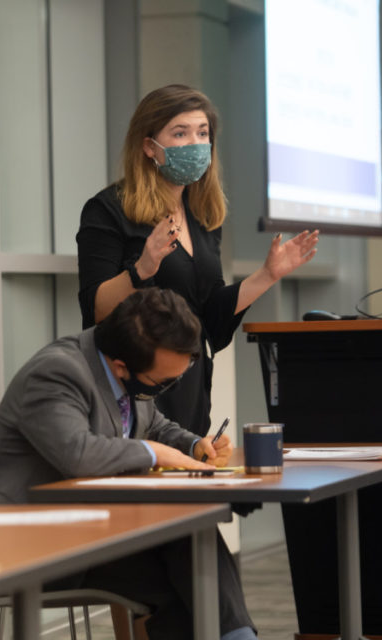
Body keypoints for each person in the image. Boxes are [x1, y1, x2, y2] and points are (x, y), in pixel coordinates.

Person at [0, 288, 344, 640]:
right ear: (120, 366)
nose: (167, 389)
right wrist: (157, 454)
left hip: (79, 532)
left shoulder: (128, 372)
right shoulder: (57, 373)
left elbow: (154, 425)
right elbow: (78, 454)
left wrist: (194, 445)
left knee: (184, 556)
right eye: (163, 383)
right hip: (22, 545)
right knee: (181, 558)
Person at [76, 83, 319, 435]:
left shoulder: (201, 216)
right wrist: (142, 268)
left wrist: (266, 275)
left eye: (202, 133)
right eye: (180, 133)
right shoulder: (108, 210)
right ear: (149, 146)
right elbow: (95, 310)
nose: (195, 143)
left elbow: (210, 322)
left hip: (189, 388)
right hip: (131, 389)